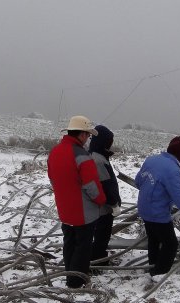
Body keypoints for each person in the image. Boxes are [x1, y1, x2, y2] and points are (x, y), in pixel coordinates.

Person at [47, 115, 107, 288]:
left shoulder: (55, 152)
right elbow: (92, 186)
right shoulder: (82, 156)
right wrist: (101, 201)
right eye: (88, 135)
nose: (88, 138)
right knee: (83, 246)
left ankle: (69, 274)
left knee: (69, 242)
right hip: (84, 212)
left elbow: (52, 179)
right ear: (81, 134)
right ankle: (76, 281)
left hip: (64, 209)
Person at [135, 135, 180, 278]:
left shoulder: (151, 160)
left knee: (154, 240)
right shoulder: (172, 170)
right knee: (171, 244)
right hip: (157, 213)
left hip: (144, 209)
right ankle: (160, 274)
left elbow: (138, 181)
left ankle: (153, 267)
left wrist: (153, 190)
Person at [89, 125, 122, 271]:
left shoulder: (97, 155)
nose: (110, 144)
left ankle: (97, 258)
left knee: (99, 235)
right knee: (102, 235)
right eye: (109, 141)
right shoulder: (98, 160)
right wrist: (113, 203)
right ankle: (98, 262)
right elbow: (105, 184)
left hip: (99, 206)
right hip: (103, 207)